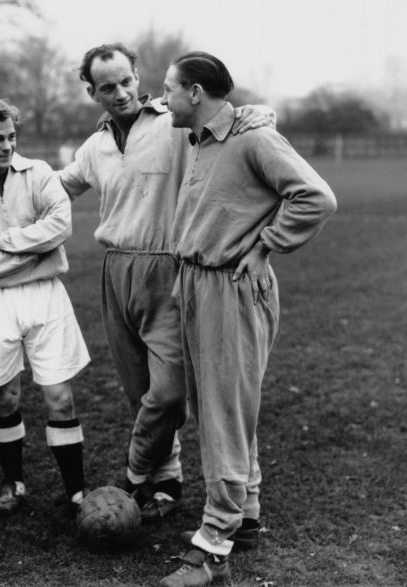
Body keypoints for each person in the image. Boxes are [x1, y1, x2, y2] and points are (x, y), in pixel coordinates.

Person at [59, 43, 275, 524]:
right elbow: (60, 186)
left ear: (139, 78)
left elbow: (227, 117)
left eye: (127, 81)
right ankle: (168, 479)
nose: (121, 93)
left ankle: (136, 473)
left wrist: (258, 116)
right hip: (116, 271)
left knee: (169, 392)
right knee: (140, 391)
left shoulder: (172, 125)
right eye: (108, 87)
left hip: (170, 269)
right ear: (92, 92)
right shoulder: (95, 147)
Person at [158, 51, 337, 587]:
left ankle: (213, 546)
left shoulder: (254, 138)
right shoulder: (200, 136)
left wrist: (265, 248)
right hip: (196, 283)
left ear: (195, 92)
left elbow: (316, 197)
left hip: (232, 288)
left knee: (222, 416)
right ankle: (247, 514)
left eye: (167, 89)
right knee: (227, 408)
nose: (159, 98)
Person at [0, 95, 91, 516]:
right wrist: (34, 247)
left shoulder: (40, 173)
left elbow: (60, 225)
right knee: (5, 397)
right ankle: (14, 485)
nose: (7, 146)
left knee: (59, 397)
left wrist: (3, 243)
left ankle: (77, 493)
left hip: (46, 296)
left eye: (11, 136)